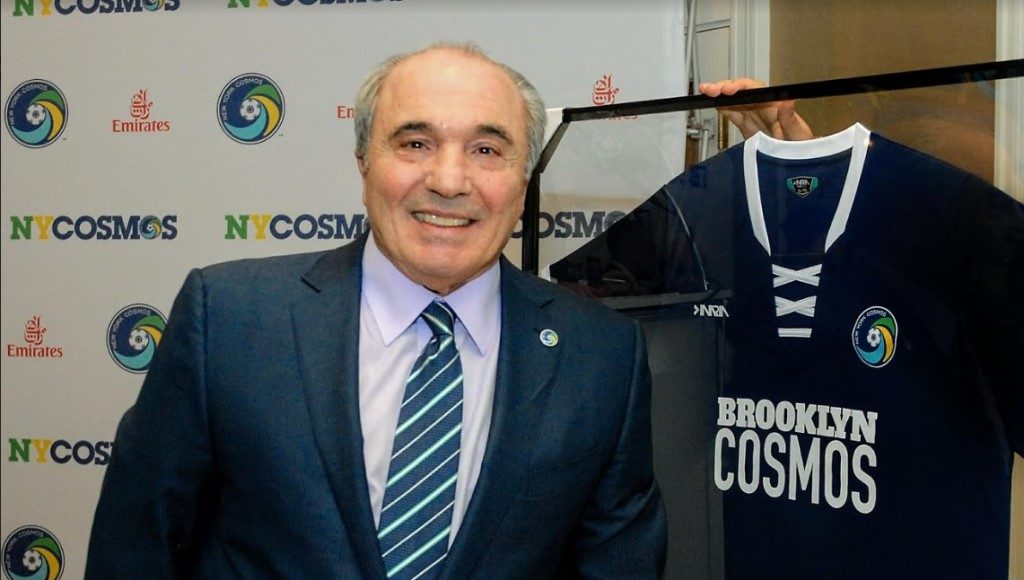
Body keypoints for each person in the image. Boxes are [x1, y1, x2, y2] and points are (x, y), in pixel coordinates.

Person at [85, 42, 667, 579]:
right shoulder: (229, 318)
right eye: (415, 144)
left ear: (524, 179)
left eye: (487, 150)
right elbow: (136, 548)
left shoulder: (603, 356)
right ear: (364, 160)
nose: (448, 180)